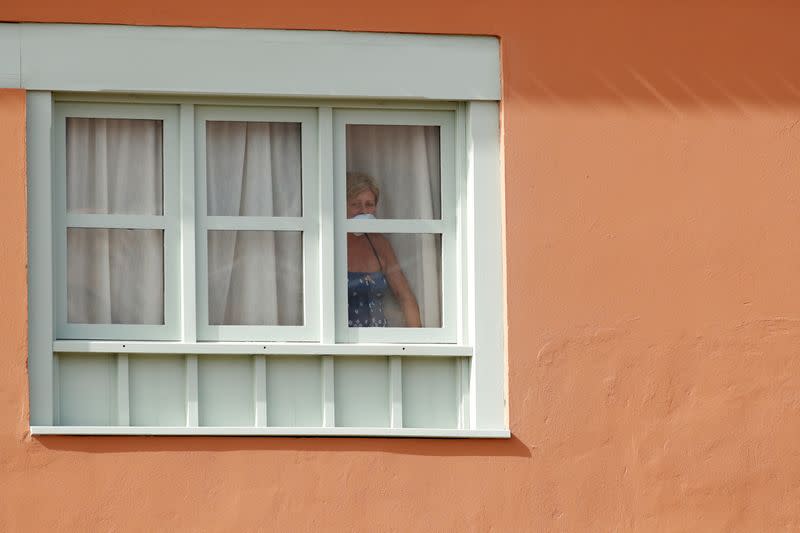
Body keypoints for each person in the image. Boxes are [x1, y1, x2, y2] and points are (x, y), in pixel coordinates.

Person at [346, 172, 421, 327]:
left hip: (378, 340)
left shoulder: (379, 244)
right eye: (355, 204)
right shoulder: (330, 244)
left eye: (369, 204)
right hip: (340, 344)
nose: (364, 211)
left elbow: (405, 296)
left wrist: (418, 345)